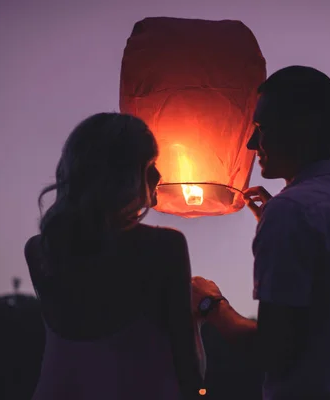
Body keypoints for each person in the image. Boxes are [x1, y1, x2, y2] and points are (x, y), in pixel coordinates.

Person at [192, 66, 330, 400]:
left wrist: (209, 303)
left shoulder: (292, 212)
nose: (251, 143)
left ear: (303, 126)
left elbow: (272, 352)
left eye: (261, 128)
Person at [24, 113, 205, 400]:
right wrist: (198, 313)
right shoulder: (164, 246)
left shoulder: (39, 250)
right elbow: (188, 369)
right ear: (122, 176)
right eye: (150, 165)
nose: (159, 176)